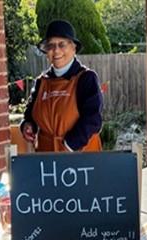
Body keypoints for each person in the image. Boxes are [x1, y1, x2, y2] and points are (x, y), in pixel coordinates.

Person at [20, 20, 103, 152]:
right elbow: (30, 115)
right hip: (46, 160)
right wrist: (28, 125)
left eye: (62, 44)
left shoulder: (86, 79)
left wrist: (69, 145)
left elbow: (93, 119)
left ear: (73, 47)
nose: (56, 51)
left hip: (81, 159)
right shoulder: (42, 82)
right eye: (51, 46)